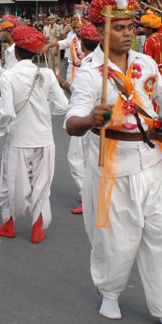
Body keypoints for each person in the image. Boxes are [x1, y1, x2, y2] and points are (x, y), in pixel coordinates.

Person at [65, 0, 162, 324]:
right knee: (116, 239)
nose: (128, 34)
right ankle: (109, 292)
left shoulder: (146, 62)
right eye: (120, 28)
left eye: (131, 27)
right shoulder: (90, 74)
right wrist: (89, 119)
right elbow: (71, 122)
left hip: (152, 161)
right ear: (101, 30)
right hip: (113, 168)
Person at [0, 25, 69, 243]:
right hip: (44, 139)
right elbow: (62, 106)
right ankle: (36, 230)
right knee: (41, 186)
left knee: (10, 185)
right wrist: (42, 111)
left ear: (16, 51)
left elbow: (7, 113)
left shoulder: (9, 76)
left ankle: (8, 226)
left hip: (18, 140)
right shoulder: (47, 74)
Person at [57, 23, 101, 215]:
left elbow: (80, 93)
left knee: (75, 158)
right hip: (98, 118)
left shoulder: (88, 64)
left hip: (85, 118)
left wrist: (61, 82)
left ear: (82, 44)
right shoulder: (106, 60)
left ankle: (87, 197)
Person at [140, 12, 162, 129]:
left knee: (153, 96)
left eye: (145, 27)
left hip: (154, 72)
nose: (143, 29)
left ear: (150, 29)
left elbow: (148, 62)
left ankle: (154, 123)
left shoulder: (148, 41)